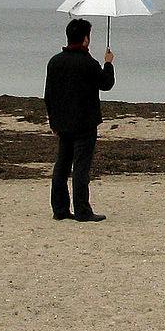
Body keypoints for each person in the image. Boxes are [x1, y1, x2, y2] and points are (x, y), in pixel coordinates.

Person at [44, 17, 115, 221]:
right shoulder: (88, 63)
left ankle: (60, 209)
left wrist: (53, 121)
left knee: (62, 165)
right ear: (85, 39)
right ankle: (82, 210)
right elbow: (106, 83)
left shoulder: (55, 62)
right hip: (84, 124)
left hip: (63, 123)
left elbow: (49, 95)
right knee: (80, 168)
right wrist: (108, 64)